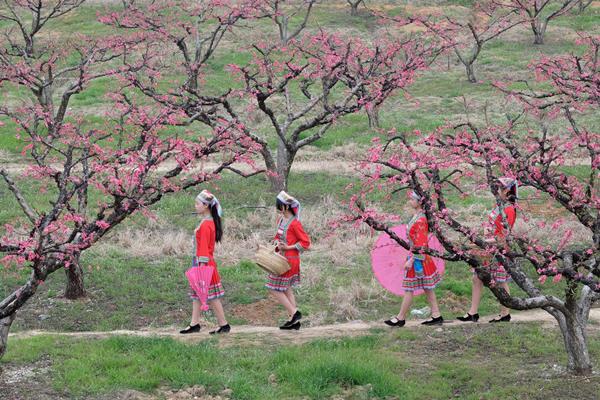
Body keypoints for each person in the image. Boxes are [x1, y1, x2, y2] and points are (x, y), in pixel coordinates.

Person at [457, 177, 518, 323]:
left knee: (501, 281)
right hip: (487, 248)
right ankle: (473, 312)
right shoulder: (500, 206)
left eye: (499, 188)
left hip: (497, 249)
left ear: (507, 191)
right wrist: (486, 231)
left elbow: (503, 237)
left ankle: (505, 313)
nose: (497, 191)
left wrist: (483, 241)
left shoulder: (509, 209)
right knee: (477, 277)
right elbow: (492, 224)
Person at [385, 191, 444, 327]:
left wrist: (411, 260)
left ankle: (400, 318)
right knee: (427, 288)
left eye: (412, 199)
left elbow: (421, 243)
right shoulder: (417, 217)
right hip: (419, 256)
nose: (410, 201)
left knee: (409, 288)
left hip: (419, 258)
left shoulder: (421, 219)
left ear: (419, 202)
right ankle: (436, 315)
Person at [180, 190, 230, 335]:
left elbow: (203, 248)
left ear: (206, 206)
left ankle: (224, 324)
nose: (195, 206)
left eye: (197, 203)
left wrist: (201, 266)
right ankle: (194, 324)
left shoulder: (207, 224)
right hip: (202, 262)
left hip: (204, 263)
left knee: (211, 296)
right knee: (197, 294)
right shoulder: (208, 222)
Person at [267, 191, 311, 330]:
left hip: (290, 260)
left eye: (279, 205)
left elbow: (306, 243)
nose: (277, 208)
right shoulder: (281, 220)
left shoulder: (295, 224)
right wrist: (276, 244)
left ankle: (294, 313)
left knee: (272, 288)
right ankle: (294, 321)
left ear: (286, 207)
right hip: (281, 258)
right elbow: (277, 236)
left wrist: (288, 247)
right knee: (286, 289)